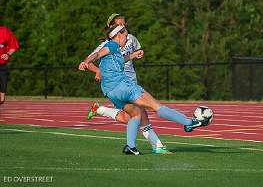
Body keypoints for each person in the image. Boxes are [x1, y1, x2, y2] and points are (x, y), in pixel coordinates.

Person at [79, 23, 206, 155]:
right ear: (117, 35)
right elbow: (97, 54)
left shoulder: (114, 52)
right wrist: (87, 61)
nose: (127, 39)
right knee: (156, 106)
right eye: (125, 36)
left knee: (135, 114)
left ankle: (130, 146)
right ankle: (189, 122)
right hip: (123, 86)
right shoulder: (112, 45)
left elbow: (117, 59)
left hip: (110, 92)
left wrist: (133, 56)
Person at [84, 14, 170, 154]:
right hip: (118, 84)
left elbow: (134, 51)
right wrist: (99, 71)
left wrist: (137, 54)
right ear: (111, 27)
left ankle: (100, 110)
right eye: (119, 25)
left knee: (130, 117)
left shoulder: (131, 38)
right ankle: (157, 145)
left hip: (130, 80)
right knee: (140, 114)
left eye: (124, 25)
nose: (123, 27)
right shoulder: (106, 45)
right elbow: (88, 60)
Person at [0, 25, 20, 106]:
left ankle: (1, 99)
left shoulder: (4, 31)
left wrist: (8, 54)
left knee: (2, 97)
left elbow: (13, 46)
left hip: (1, 65)